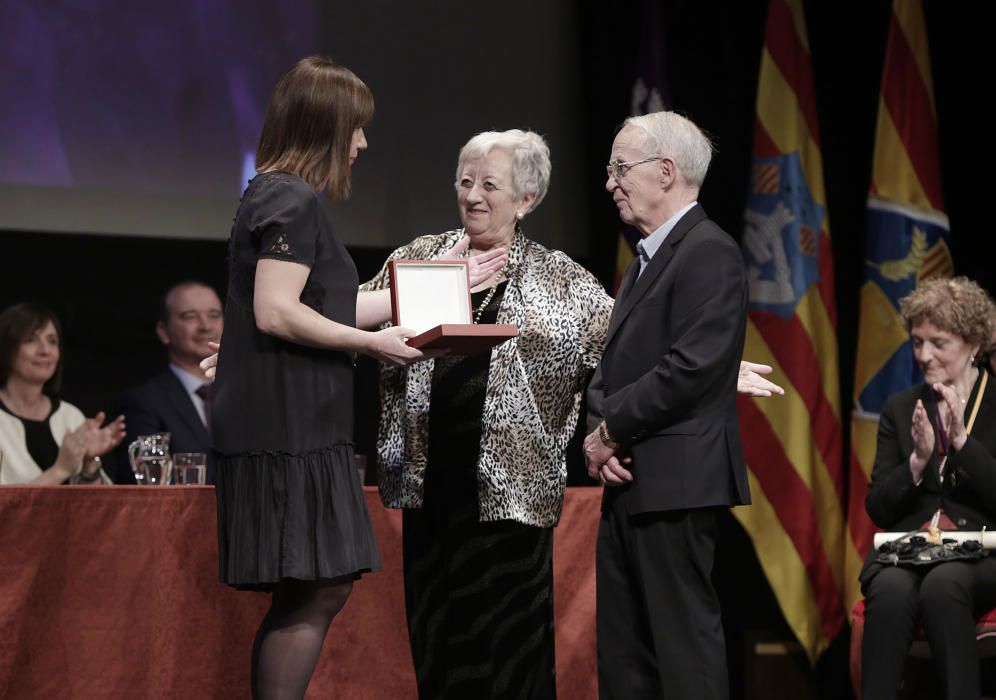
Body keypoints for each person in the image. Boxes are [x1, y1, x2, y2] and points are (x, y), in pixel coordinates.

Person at [360, 128, 777, 698]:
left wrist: (723, 368)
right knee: (438, 647)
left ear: (526, 199)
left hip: (514, 497)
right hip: (430, 490)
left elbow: (633, 343)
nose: (473, 195)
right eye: (465, 182)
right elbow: (345, 319)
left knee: (512, 656)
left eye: (490, 184)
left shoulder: (561, 279)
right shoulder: (417, 258)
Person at [209, 56, 505, 700]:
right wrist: (373, 346)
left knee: (314, 586)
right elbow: (276, 311)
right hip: (288, 425)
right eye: (357, 129)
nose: (364, 143)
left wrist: (444, 278)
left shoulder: (276, 192)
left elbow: (322, 304)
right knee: (317, 585)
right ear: (325, 127)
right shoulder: (289, 195)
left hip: (298, 417)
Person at [583, 111, 749, 699]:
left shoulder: (708, 251)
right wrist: (598, 431)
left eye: (620, 169)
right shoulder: (643, 263)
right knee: (625, 656)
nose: (610, 183)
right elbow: (610, 367)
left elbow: (691, 369)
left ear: (666, 171)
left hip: (676, 482)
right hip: (629, 479)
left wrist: (609, 430)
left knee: (683, 652)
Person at [860, 276, 996, 700]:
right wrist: (917, 461)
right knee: (888, 588)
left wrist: (961, 445)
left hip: (985, 552)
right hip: (911, 549)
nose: (924, 354)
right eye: (917, 341)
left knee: (943, 585)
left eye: (939, 342)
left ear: (974, 342)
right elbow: (879, 508)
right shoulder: (901, 408)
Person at [0, 302, 126, 484]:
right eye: (30, 340)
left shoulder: (70, 416)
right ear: (6, 349)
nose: (45, 351)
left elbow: (99, 508)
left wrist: (89, 463)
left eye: (52, 341)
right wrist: (61, 470)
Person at [114, 281, 222, 483]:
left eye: (214, 315)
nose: (205, 326)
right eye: (190, 316)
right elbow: (144, 481)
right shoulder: (143, 401)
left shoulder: (249, 394)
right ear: (164, 331)